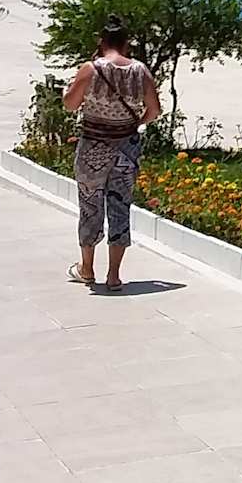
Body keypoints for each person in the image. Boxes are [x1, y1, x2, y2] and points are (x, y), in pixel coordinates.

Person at [62, 19, 160, 290]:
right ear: (126, 44)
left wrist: (68, 90)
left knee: (90, 206)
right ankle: (114, 275)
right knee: (120, 207)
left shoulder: (91, 69)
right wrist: (134, 123)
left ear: (101, 42)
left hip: (93, 149)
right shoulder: (140, 71)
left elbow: (70, 104)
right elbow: (154, 110)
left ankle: (87, 268)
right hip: (126, 150)